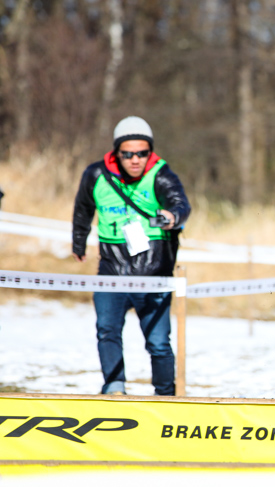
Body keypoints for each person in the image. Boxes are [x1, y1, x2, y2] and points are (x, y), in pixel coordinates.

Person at [72, 116, 191, 396]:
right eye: (128, 154)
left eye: (142, 153)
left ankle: (165, 395)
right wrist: (78, 243)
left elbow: (180, 202)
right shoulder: (95, 175)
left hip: (153, 272)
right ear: (117, 152)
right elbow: (82, 209)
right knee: (107, 330)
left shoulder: (161, 174)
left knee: (159, 342)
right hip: (111, 271)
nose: (135, 160)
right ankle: (114, 389)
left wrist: (172, 216)